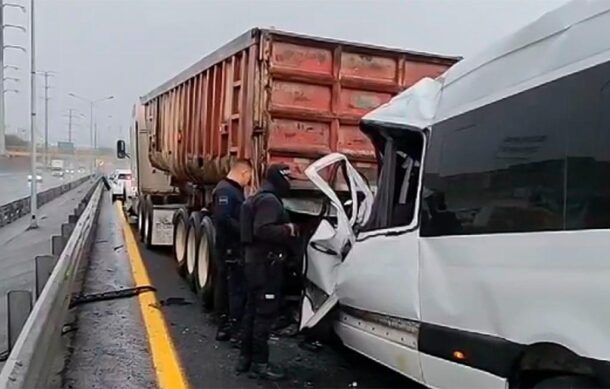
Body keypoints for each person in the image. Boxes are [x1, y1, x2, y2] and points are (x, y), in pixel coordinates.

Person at [237, 164, 298, 380]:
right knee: (264, 314)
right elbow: (262, 229)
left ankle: (245, 359)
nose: (290, 181)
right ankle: (260, 364)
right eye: (287, 177)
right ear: (279, 178)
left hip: (253, 264)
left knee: (252, 312)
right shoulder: (270, 201)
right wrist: (288, 230)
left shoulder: (257, 197)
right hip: (265, 266)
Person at [211, 159, 253, 342]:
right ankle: (230, 327)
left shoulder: (232, 190)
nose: (249, 181)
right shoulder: (225, 191)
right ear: (243, 173)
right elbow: (223, 219)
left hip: (231, 247)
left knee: (231, 287)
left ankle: (228, 325)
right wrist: (246, 233)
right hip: (229, 248)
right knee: (232, 288)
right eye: (249, 176)